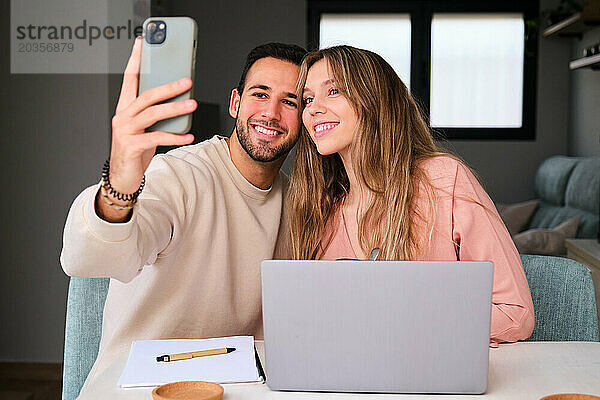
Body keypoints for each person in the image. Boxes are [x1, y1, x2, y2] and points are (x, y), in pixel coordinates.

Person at [60, 39, 306, 397]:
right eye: (260, 94)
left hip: (239, 389)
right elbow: (94, 258)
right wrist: (119, 187)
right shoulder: (177, 175)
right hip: (138, 387)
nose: (271, 113)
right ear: (236, 103)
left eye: (290, 101)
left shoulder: (299, 203)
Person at [287, 45, 534, 344]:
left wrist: (409, 323)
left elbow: (515, 313)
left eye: (334, 91)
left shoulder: (444, 180)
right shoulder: (323, 209)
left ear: (375, 98)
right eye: (308, 99)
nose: (312, 109)